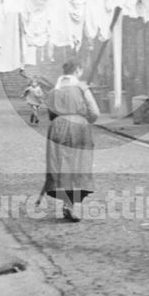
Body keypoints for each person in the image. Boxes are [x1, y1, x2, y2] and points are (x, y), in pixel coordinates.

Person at [41, 60, 100, 222]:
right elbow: (94, 111)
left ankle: (68, 205)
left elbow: (50, 114)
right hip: (78, 127)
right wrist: (84, 120)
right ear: (78, 70)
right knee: (78, 165)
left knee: (61, 166)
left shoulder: (54, 90)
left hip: (57, 128)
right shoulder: (81, 87)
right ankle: (70, 206)